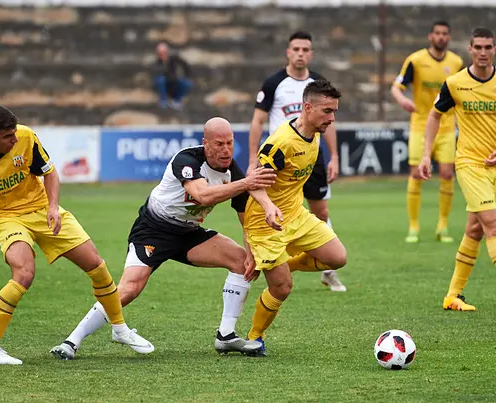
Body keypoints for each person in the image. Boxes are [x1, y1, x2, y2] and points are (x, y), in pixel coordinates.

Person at [49, 118, 277, 359]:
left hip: (188, 233)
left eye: (230, 143)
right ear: (205, 143)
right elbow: (203, 195)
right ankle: (71, 341)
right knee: (130, 289)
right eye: (219, 144)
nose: (226, 150)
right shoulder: (187, 160)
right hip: (154, 229)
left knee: (241, 262)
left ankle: (226, 336)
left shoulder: (232, 172)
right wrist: (245, 183)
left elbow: (245, 218)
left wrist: (251, 252)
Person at [0, 105, 149, 365]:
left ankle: (119, 328)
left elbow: (50, 173)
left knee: (96, 264)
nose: (14, 139)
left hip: (41, 209)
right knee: (24, 273)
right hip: (5, 217)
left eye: (14, 133)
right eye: (8, 136)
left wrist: (53, 207)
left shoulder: (26, 137)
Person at [417, 28, 496, 312]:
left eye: (488, 47)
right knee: (494, 226)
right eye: (478, 47)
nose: (483, 52)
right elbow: (434, 115)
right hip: (468, 164)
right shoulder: (455, 83)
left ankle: (452, 295)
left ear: (495, 49)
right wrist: (426, 154)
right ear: (470, 49)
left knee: (475, 230)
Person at [245, 80, 348, 356]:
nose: (332, 118)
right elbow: (252, 182)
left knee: (337, 258)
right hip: (265, 222)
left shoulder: (314, 132)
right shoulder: (281, 143)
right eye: (327, 111)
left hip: (296, 215)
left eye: (334, 111)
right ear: (308, 108)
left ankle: (287, 265)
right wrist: (268, 206)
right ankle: (254, 337)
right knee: (282, 288)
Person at [248, 30, 346, 292]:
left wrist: (334, 156)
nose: (300, 54)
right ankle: (269, 260)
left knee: (321, 211)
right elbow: (257, 121)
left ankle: (327, 270)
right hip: (280, 159)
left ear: (311, 54)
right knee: (269, 207)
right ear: (288, 52)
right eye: (296, 49)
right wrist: (252, 158)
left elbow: (329, 123)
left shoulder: (319, 85)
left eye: (305, 49)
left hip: (311, 154)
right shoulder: (274, 83)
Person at [392, 20, 464, 244]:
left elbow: (463, 93)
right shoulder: (415, 60)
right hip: (420, 125)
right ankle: (413, 226)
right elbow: (396, 88)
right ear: (430, 36)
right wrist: (403, 100)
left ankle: (442, 225)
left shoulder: (456, 62)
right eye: (437, 33)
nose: (441, 37)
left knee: (447, 174)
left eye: (445, 34)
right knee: (416, 174)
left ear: (449, 37)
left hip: (447, 126)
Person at [153, 41, 192, 110]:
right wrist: (164, 63)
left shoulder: (174, 59)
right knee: (161, 80)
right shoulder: (157, 63)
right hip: (164, 85)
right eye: (161, 53)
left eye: (164, 52)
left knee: (187, 83)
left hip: (174, 82)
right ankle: (163, 101)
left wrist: (186, 75)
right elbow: (158, 75)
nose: (163, 54)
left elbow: (184, 65)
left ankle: (176, 101)